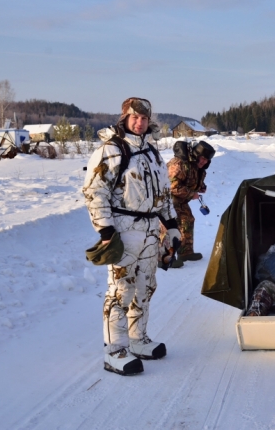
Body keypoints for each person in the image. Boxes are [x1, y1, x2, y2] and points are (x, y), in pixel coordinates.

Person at [82, 97, 181, 376]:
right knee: (120, 291)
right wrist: (105, 231)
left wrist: (171, 226)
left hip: (150, 230)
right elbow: (94, 192)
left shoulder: (152, 152)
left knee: (145, 286)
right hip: (124, 229)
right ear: (124, 118)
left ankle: (138, 340)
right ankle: (114, 351)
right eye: (134, 118)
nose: (139, 123)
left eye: (144, 118)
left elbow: (164, 193)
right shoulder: (111, 151)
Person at [167, 140, 215, 263]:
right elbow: (171, 186)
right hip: (165, 200)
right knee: (170, 226)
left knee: (187, 220)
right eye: (202, 158)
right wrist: (191, 193)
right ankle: (166, 259)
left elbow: (189, 180)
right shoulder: (179, 164)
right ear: (196, 155)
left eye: (206, 160)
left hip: (180, 200)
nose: (203, 162)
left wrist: (200, 187)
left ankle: (185, 253)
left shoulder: (196, 167)